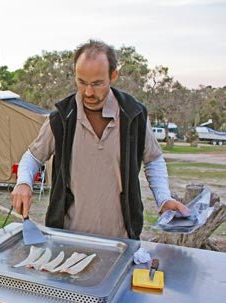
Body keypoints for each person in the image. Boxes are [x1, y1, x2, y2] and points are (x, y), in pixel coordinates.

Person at [11, 39, 188, 240]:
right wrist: (23, 182)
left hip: (121, 240)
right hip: (67, 238)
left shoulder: (133, 115)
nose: (88, 92)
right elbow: (33, 157)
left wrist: (163, 199)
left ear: (113, 75)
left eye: (97, 84)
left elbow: (153, 159)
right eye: (82, 82)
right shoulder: (62, 118)